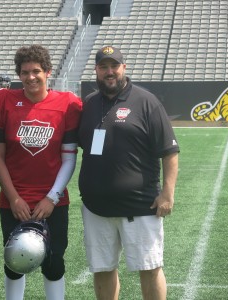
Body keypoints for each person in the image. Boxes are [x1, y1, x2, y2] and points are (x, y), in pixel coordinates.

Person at [77, 46, 180, 300]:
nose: (109, 72)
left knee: (150, 268)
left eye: (114, 66)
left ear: (124, 67)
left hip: (140, 205)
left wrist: (167, 194)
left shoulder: (147, 102)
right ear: (96, 71)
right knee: (102, 269)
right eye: (104, 67)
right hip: (96, 207)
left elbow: (169, 152)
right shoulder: (89, 104)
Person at [0, 44, 82, 300]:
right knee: (14, 262)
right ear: (18, 74)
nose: (31, 77)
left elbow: (69, 159)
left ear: (48, 72)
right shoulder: (3, 101)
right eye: (25, 72)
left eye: (36, 71)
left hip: (53, 201)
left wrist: (51, 197)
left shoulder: (67, 104)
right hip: (13, 200)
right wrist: (14, 198)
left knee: (53, 263)